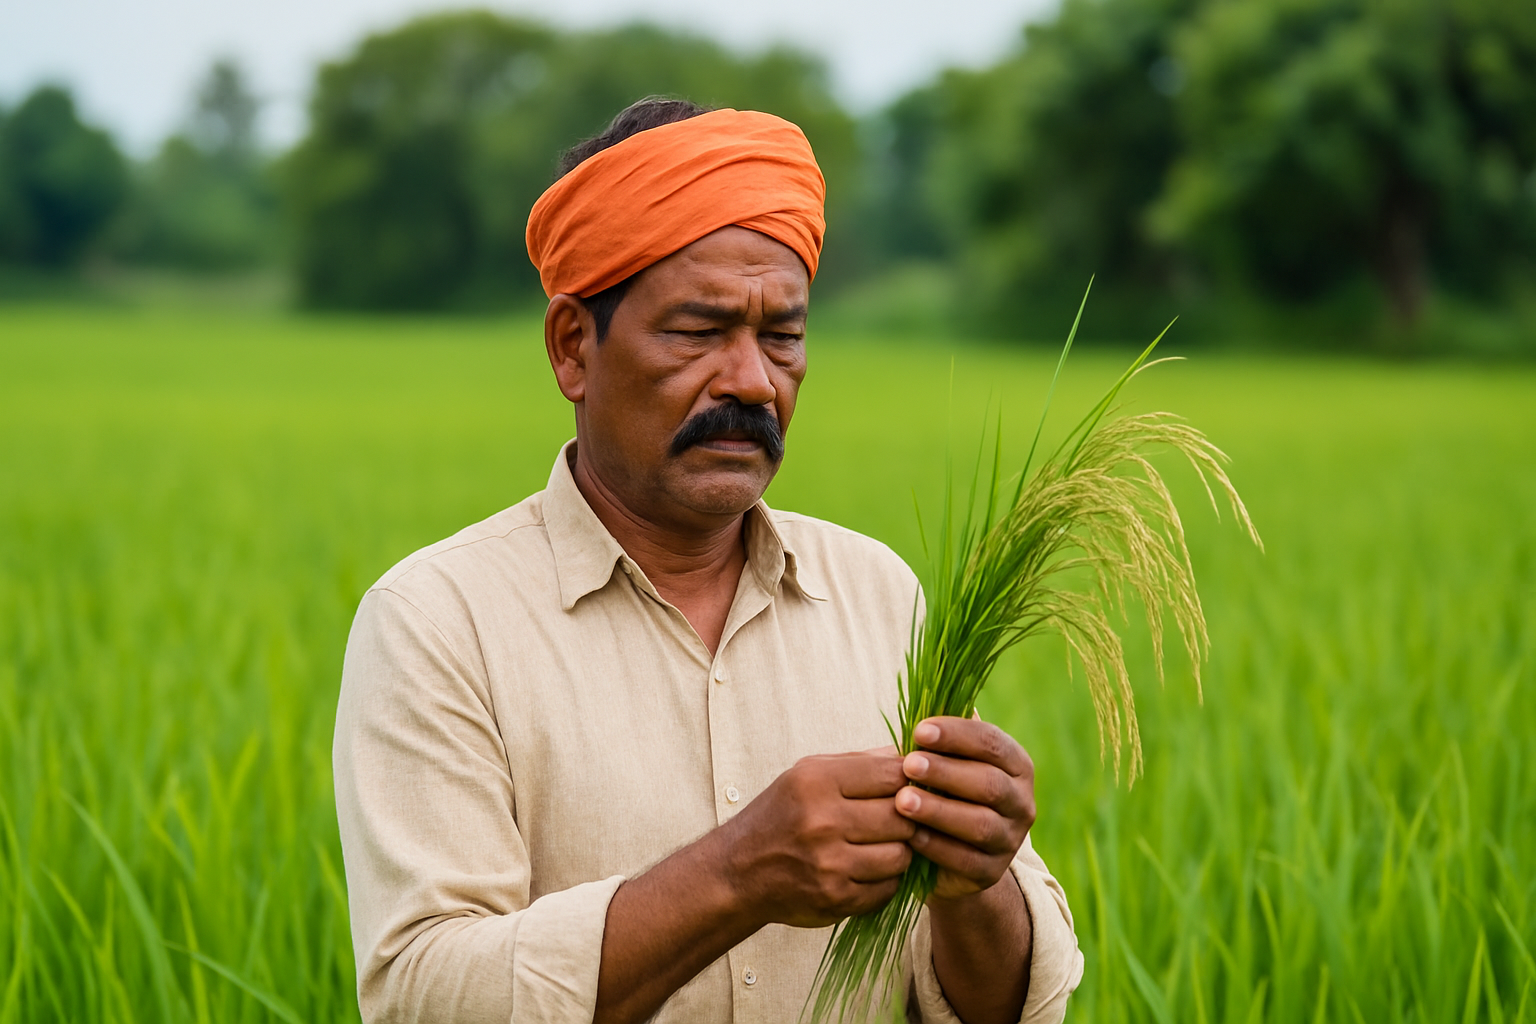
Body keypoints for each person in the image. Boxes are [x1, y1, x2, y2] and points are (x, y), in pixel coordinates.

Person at [333, 98, 1083, 1024]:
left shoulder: (878, 594)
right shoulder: (440, 622)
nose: (753, 380)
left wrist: (980, 879)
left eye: (783, 336)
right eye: (697, 331)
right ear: (573, 348)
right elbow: (421, 993)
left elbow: (1008, 1006)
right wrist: (738, 874)